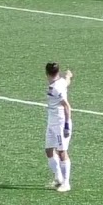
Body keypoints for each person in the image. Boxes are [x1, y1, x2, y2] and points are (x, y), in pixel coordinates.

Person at [44, 62, 74, 191]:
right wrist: (69, 76)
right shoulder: (60, 82)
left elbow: (67, 106)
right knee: (49, 150)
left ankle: (66, 183)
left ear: (46, 73)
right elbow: (66, 82)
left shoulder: (56, 88)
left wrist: (67, 125)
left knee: (62, 152)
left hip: (60, 123)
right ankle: (58, 178)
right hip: (52, 122)